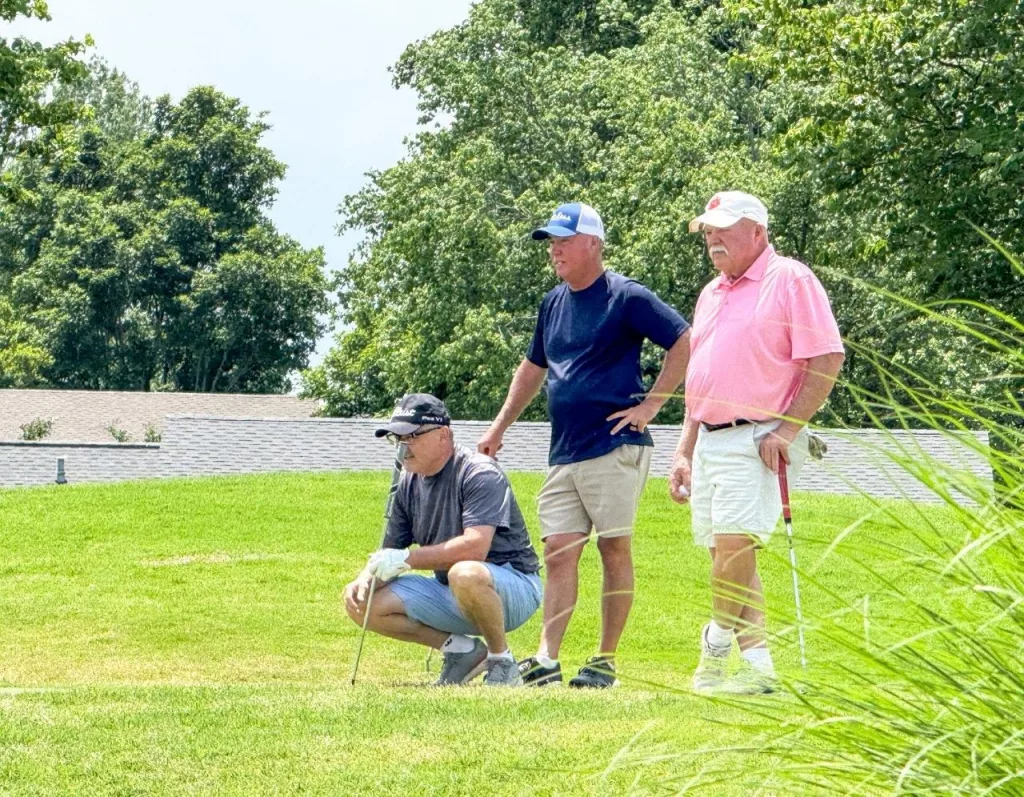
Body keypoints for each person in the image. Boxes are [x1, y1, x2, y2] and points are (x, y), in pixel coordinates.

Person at [478, 202, 691, 688]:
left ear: (593, 244)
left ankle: (604, 661)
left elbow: (684, 340)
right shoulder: (552, 303)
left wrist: (651, 406)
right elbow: (533, 368)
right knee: (558, 550)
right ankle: (547, 659)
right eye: (551, 242)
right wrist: (499, 427)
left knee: (613, 548)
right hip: (565, 448)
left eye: (564, 241)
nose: (554, 250)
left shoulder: (626, 296)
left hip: (615, 444)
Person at [671, 191, 845, 694]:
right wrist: (684, 449)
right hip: (709, 439)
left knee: (733, 550)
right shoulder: (711, 292)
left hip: (756, 437)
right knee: (728, 557)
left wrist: (788, 429)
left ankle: (714, 645)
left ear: (758, 232)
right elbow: (701, 379)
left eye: (723, 229)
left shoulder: (789, 278)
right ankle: (759, 670)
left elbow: (826, 357)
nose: (712, 239)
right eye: (707, 231)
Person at [343, 393, 542, 687]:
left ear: (443, 435)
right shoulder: (407, 482)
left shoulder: (479, 472)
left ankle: (502, 661)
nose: (402, 447)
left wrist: (407, 559)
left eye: (411, 436)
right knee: (362, 600)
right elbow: (391, 548)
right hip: (450, 588)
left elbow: (475, 547)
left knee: (465, 572)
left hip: (513, 586)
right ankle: (461, 652)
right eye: (397, 439)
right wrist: (365, 580)